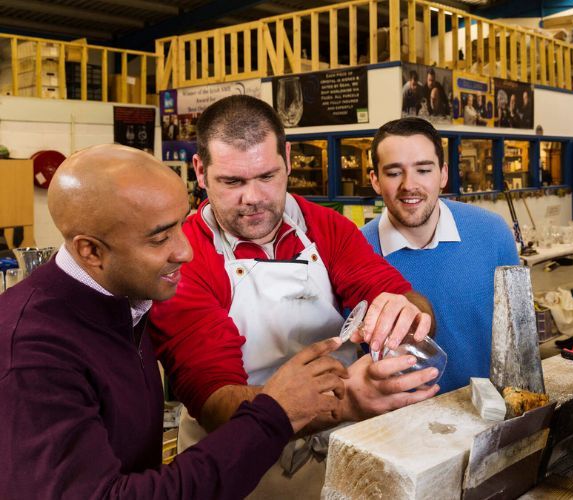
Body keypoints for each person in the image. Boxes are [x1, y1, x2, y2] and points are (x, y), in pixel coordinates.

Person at [0, 144, 350, 498]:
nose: (186, 252)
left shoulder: (124, 299)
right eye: (160, 238)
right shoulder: (32, 355)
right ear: (91, 251)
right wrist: (275, 412)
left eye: (181, 226)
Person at [148, 95, 440, 497]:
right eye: (232, 182)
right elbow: (217, 403)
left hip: (341, 456)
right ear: (200, 171)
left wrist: (408, 312)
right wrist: (340, 403)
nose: (252, 197)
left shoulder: (326, 228)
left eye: (267, 176)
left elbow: (399, 296)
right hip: (243, 470)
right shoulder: (183, 260)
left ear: (287, 158)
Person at [362, 117, 519, 393]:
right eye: (394, 172)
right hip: (395, 427)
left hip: (487, 415)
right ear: (375, 180)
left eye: (423, 170)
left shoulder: (493, 234)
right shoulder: (356, 253)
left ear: (443, 174)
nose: (409, 185)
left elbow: (517, 338)